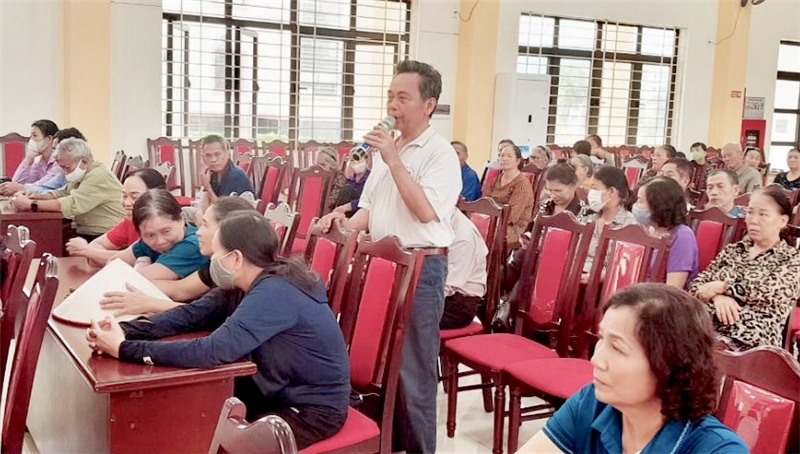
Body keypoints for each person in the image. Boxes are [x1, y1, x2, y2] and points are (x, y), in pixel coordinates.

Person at [87, 212, 350, 449]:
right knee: (185, 413)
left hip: (311, 411)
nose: (212, 260)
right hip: (272, 390)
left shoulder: (275, 292)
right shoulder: (246, 282)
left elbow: (213, 351)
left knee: (210, 432)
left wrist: (125, 349)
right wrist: (124, 330)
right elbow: (190, 315)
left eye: (216, 254)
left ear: (235, 258)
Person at [316, 60, 461, 453]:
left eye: (403, 98)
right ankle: (391, 442)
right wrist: (342, 224)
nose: (392, 105)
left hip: (421, 267)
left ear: (428, 105)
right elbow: (370, 208)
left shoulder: (440, 154)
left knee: (414, 370)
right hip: (383, 264)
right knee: (382, 363)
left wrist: (394, 160)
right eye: (390, 96)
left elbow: (426, 211)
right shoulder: (386, 150)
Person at [519, 284, 748, 454]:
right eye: (601, 338)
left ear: (670, 365)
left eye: (617, 348)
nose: (596, 360)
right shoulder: (591, 404)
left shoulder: (715, 449)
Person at [99, 196, 258, 316]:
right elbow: (180, 290)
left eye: (205, 225)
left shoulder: (254, 273)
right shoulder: (217, 264)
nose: (198, 232)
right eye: (149, 235)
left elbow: (211, 316)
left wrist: (151, 303)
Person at [692, 187, 800, 351]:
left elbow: (770, 291)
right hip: (706, 328)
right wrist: (718, 297)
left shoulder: (792, 258)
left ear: (782, 221)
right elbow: (698, 285)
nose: (753, 220)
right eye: (750, 212)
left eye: (763, 214)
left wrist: (724, 287)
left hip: (750, 340)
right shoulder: (734, 250)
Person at [12, 138, 125, 241]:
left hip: (105, 236)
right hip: (87, 231)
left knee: (46, 240)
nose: (65, 172)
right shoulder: (84, 173)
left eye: (67, 168)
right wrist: (38, 196)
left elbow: (73, 204)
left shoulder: (98, 175)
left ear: (84, 162)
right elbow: (64, 192)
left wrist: (31, 204)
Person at [506, 163, 592, 288]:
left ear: (573, 185)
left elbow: (580, 249)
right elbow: (533, 228)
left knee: (524, 281)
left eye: (558, 190)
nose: (553, 195)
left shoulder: (585, 213)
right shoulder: (547, 205)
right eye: (549, 190)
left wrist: (544, 247)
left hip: (560, 265)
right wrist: (527, 238)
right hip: (532, 258)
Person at [65, 168, 166, 266]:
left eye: (134, 197)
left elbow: (131, 261)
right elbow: (98, 249)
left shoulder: (160, 227)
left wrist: (87, 251)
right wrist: (92, 253)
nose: (127, 203)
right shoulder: (130, 222)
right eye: (124, 196)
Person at [112, 189, 208, 281]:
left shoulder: (193, 244)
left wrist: (141, 262)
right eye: (150, 235)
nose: (160, 241)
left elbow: (139, 280)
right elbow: (113, 264)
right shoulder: (146, 243)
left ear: (181, 219)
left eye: (166, 231)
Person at [633, 177, 699, 290]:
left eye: (640, 201)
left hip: (660, 297)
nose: (636, 206)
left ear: (658, 205)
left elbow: (673, 288)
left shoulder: (683, 236)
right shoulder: (645, 229)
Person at [582, 166, 637, 274]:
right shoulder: (588, 216)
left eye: (595, 188)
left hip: (608, 279)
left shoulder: (629, 225)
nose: (591, 193)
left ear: (611, 191)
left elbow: (625, 267)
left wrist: (598, 276)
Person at [0, 126, 84, 195]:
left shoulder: (88, 175)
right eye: (53, 149)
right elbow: (46, 188)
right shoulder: (62, 172)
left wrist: (22, 189)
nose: (54, 155)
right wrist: (28, 159)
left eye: (35, 136)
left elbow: (63, 197)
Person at [440, 209, 488, 329]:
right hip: (436, 292)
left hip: (457, 304)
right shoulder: (438, 222)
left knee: (401, 318)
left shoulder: (463, 238)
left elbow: (446, 287)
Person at [484, 143, 534, 247]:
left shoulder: (522, 183)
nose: (504, 159)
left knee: (483, 233)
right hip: (493, 220)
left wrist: (489, 221)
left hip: (513, 227)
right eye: (502, 155)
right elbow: (485, 201)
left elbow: (512, 216)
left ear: (518, 161)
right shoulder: (497, 178)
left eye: (509, 156)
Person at [199, 134, 254, 203]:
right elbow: (207, 202)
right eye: (208, 155)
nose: (213, 159)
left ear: (227, 153)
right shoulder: (213, 172)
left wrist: (207, 187)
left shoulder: (235, 176)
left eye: (217, 154)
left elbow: (221, 208)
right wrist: (203, 164)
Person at [4, 119, 59, 187]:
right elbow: (17, 183)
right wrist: (28, 160)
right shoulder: (38, 163)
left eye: (35, 136)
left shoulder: (59, 161)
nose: (31, 140)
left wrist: (21, 187)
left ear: (48, 139)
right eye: (31, 136)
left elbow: (46, 185)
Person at [332, 152, 372, 216]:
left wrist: (348, 206)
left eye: (357, 159)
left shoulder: (371, 179)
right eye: (352, 160)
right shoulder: (348, 181)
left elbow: (370, 200)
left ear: (366, 160)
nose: (354, 162)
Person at [314, 146, 347, 213]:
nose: (319, 167)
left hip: (331, 212)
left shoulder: (339, 177)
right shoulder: (316, 175)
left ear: (333, 165)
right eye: (317, 164)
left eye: (323, 165)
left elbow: (333, 200)